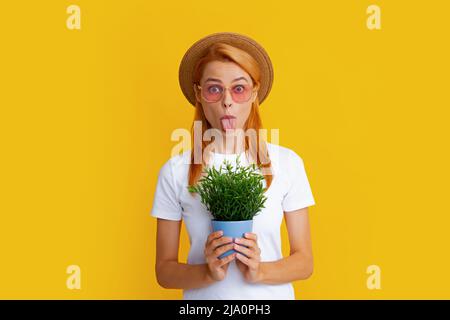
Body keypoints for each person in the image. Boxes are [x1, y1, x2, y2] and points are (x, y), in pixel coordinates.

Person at [151, 32, 316, 300]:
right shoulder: (175, 170)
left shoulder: (287, 164)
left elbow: (304, 261)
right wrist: (208, 273)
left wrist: (259, 271)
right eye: (214, 88)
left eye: (239, 89)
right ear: (199, 95)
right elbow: (164, 271)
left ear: (254, 94)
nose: (227, 101)